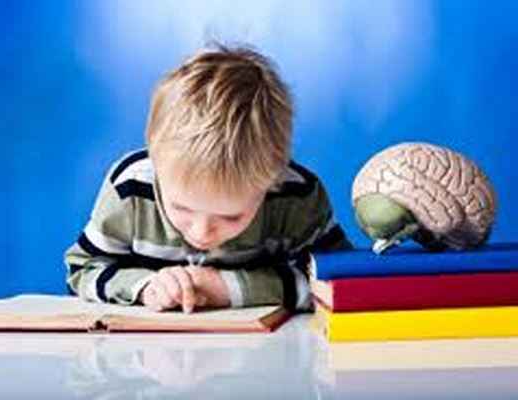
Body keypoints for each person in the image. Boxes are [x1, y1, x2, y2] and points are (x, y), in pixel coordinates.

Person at [64, 44, 352, 313]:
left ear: (272, 180)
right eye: (181, 208)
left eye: (231, 217)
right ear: (156, 162)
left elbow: (342, 284)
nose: (202, 233)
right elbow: (82, 270)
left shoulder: (297, 196)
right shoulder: (131, 189)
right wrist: (144, 286)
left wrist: (229, 289)